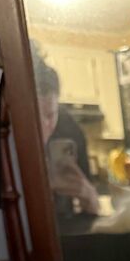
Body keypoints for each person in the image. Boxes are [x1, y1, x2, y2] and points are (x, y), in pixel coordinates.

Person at [32, 49, 100, 216]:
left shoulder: (71, 132)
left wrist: (88, 195)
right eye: (33, 116)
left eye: (50, 115)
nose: (42, 126)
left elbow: (92, 210)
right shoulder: (5, 137)